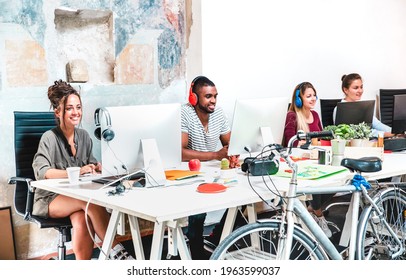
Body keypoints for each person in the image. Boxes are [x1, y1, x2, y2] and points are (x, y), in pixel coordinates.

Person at [32, 80, 134, 260]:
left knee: (81, 218)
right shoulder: (49, 138)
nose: (76, 112)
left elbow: (90, 165)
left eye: (78, 107)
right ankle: (118, 252)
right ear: (58, 112)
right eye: (70, 108)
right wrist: (77, 171)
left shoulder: (84, 137)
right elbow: (44, 172)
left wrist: (97, 167)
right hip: (49, 199)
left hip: (76, 198)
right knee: (90, 202)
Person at [181, 75, 232, 259]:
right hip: (189, 172)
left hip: (214, 170)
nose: (213, 101)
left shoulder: (218, 113)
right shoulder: (185, 113)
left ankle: (218, 238)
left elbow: (229, 142)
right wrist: (216, 155)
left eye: (215, 96)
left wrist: (233, 151)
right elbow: (180, 152)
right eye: (208, 96)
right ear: (194, 98)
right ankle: (196, 249)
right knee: (198, 204)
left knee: (242, 194)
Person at [282, 82, 333, 238]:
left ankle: (312, 211)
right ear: (299, 99)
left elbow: (322, 138)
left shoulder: (315, 115)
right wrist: (306, 143)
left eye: (314, 96)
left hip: (316, 159)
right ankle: (319, 216)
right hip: (300, 162)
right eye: (308, 96)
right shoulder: (292, 115)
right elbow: (289, 141)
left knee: (338, 182)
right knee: (315, 185)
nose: (313, 99)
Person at [333, 73, 393, 138]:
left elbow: (377, 124)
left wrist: (395, 132)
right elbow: (356, 133)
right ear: (345, 90)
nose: (360, 90)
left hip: (368, 143)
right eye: (356, 88)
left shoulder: (363, 107)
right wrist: (385, 134)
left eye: (361, 87)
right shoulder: (340, 109)